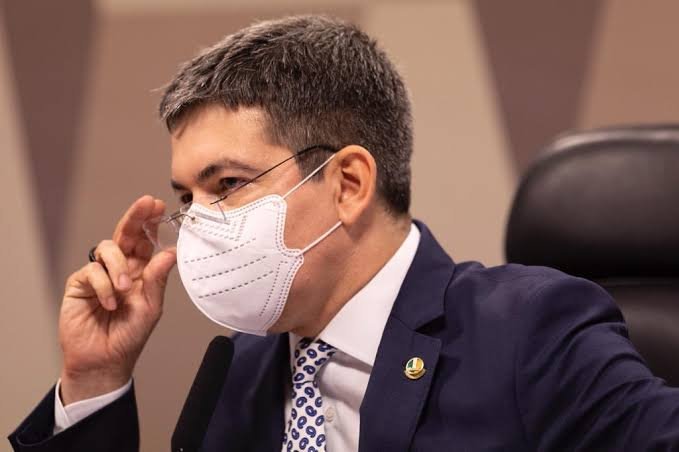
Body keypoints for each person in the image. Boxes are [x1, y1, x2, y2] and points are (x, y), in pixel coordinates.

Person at [8, 14, 679, 452]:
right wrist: (95, 378)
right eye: (188, 197)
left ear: (349, 183)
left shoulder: (526, 328)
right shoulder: (239, 372)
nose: (199, 222)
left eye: (227, 184)